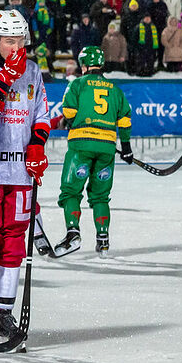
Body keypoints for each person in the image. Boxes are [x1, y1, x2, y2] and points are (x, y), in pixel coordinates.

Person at [0, 9, 49, 343]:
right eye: (8, 41)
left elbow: (41, 114)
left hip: (19, 172)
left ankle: (3, 312)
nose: (15, 47)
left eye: (19, 40)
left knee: (14, 243)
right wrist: (3, 80)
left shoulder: (33, 70)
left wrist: (37, 146)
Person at [54, 46, 132, 257]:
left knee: (71, 192)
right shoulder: (114, 89)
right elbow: (125, 120)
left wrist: (71, 122)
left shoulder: (77, 84)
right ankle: (103, 240)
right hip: (106, 148)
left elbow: (69, 111)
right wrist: (126, 147)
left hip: (81, 146)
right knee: (100, 197)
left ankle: (73, 233)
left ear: (84, 65)